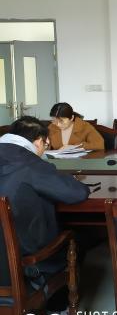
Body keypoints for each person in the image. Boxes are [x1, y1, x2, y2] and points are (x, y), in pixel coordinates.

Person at [0, 116, 89, 272]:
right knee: (82, 237)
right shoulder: (30, 163)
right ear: (39, 141)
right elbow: (77, 193)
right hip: (27, 261)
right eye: (46, 145)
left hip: (4, 264)